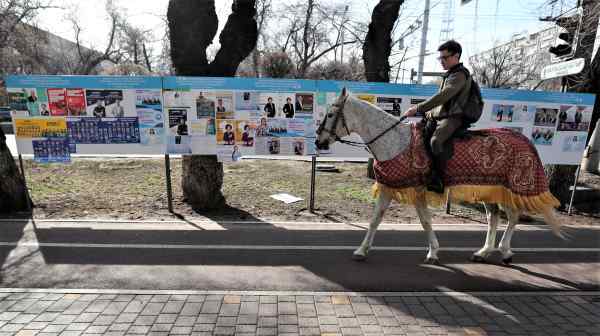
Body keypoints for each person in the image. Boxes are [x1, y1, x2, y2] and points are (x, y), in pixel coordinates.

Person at [403, 40, 474, 194]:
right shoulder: (450, 74)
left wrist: (418, 108)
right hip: (443, 116)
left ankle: (439, 179)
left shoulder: (460, 75)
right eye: (440, 58)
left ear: (456, 56)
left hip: (453, 118)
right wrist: (426, 112)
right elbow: (441, 102)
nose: (442, 61)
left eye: (445, 58)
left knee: (436, 141)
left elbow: (443, 97)